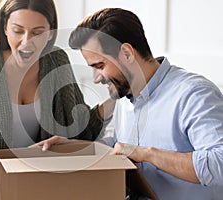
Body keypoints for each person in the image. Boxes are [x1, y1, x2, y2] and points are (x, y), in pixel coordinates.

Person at [0, 1, 113, 200]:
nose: (26, 42)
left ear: (50, 32)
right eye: (18, 31)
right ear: (5, 27)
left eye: (37, 32)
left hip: (31, 180)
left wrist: (119, 96)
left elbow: (80, 127)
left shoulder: (56, 62)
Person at [35, 8, 223, 200]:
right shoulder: (125, 97)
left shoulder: (193, 94)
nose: (95, 79)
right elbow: (121, 145)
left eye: (100, 66)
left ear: (126, 53)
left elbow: (220, 163)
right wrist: (79, 148)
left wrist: (146, 154)